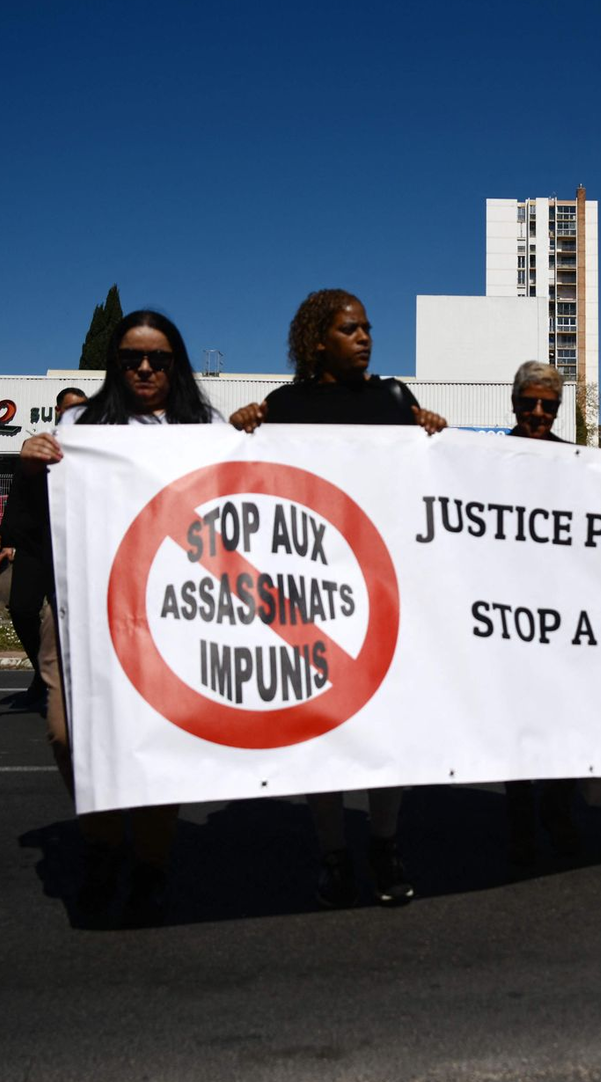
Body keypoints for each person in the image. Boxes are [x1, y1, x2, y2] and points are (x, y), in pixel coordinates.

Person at [231, 288, 446, 908]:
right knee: (322, 726)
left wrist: (432, 433)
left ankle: (384, 844)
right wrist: (240, 431)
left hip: (385, 583)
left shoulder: (394, 399)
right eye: (351, 329)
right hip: (312, 588)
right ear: (317, 340)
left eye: (367, 328)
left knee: (388, 724)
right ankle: (333, 854)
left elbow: (429, 479)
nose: (365, 338)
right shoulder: (284, 407)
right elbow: (250, 481)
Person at [19, 313, 222, 925]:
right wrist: (30, 465)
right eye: (132, 358)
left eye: (159, 358)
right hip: (83, 604)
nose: (145, 369)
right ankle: (104, 846)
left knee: (157, 739)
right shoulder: (81, 426)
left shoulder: (205, 426)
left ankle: (150, 867)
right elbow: (43, 511)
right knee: (68, 733)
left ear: (176, 363)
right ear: (115, 363)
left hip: (171, 610)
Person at [503, 361, 578, 867]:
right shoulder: (485, 456)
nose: (537, 412)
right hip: (506, 611)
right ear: (514, 404)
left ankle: (557, 808)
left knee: (564, 716)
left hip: (561, 611)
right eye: (528, 403)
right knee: (513, 720)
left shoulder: (574, 460)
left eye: (547, 406)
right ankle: (520, 822)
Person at [0, 387, 87, 713]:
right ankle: (44, 674)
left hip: (76, 546)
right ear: (57, 411)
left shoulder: (94, 450)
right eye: (70, 409)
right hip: (36, 545)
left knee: (77, 619)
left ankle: (75, 686)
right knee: (21, 608)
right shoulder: (36, 446)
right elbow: (19, 496)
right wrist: (8, 540)